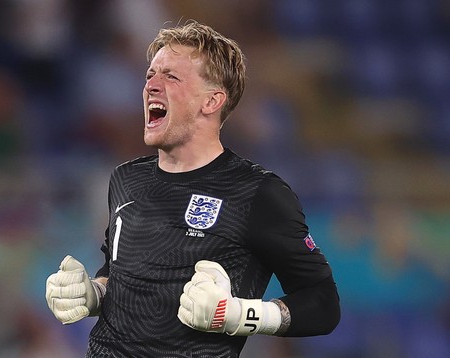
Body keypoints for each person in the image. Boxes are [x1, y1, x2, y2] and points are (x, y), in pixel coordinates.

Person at [46, 20, 340, 357]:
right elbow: (121, 275)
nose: (150, 86)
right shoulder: (125, 179)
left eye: (171, 76)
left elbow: (323, 302)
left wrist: (243, 315)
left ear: (212, 101)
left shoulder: (258, 193)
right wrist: (92, 293)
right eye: (149, 75)